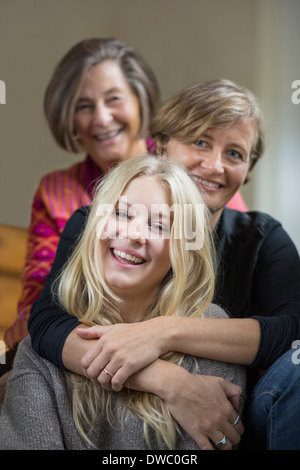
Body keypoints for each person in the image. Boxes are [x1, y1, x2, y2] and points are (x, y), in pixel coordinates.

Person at [28, 79, 300, 450]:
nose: (215, 165)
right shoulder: (99, 224)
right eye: (200, 141)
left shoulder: (262, 237)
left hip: (231, 409)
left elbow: (293, 329)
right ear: (161, 145)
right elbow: (48, 322)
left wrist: (163, 331)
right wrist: (171, 382)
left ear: (247, 170)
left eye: (235, 154)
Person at [0, 39, 245, 388]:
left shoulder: (188, 176)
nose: (101, 118)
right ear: (69, 117)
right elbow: (41, 302)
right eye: (84, 106)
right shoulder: (55, 192)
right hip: (72, 357)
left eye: (114, 98)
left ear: (140, 101)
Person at [0, 155, 246, 450]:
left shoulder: (212, 335)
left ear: (181, 250)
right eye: (122, 214)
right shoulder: (41, 351)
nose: (133, 234)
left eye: (159, 226)